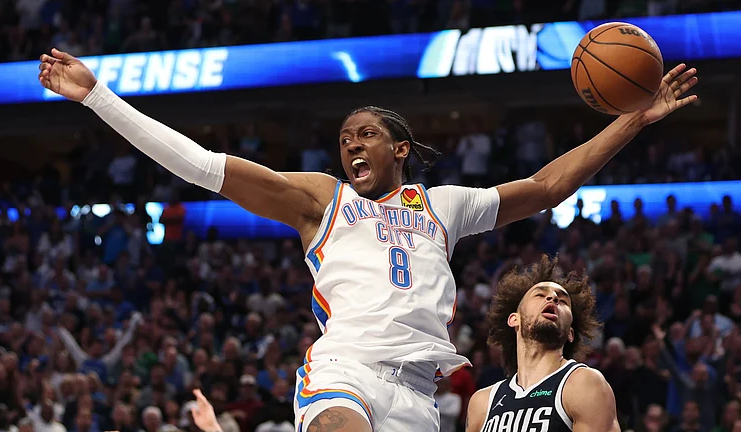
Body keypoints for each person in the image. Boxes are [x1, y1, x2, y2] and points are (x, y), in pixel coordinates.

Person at [37, 48, 698, 432]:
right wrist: (99, 98)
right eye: (344, 138)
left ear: (400, 148)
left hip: (418, 394)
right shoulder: (323, 201)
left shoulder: (445, 207)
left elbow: (549, 185)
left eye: (365, 134)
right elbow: (202, 165)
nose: (351, 143)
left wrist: (635, 120)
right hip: (344, 370)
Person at [466, 255, 617, 432]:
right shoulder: (482, 403)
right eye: (540, 294)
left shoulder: (583, 384)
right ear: (515, 319)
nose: (553, 297)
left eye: (563, 301)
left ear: (570, 333)